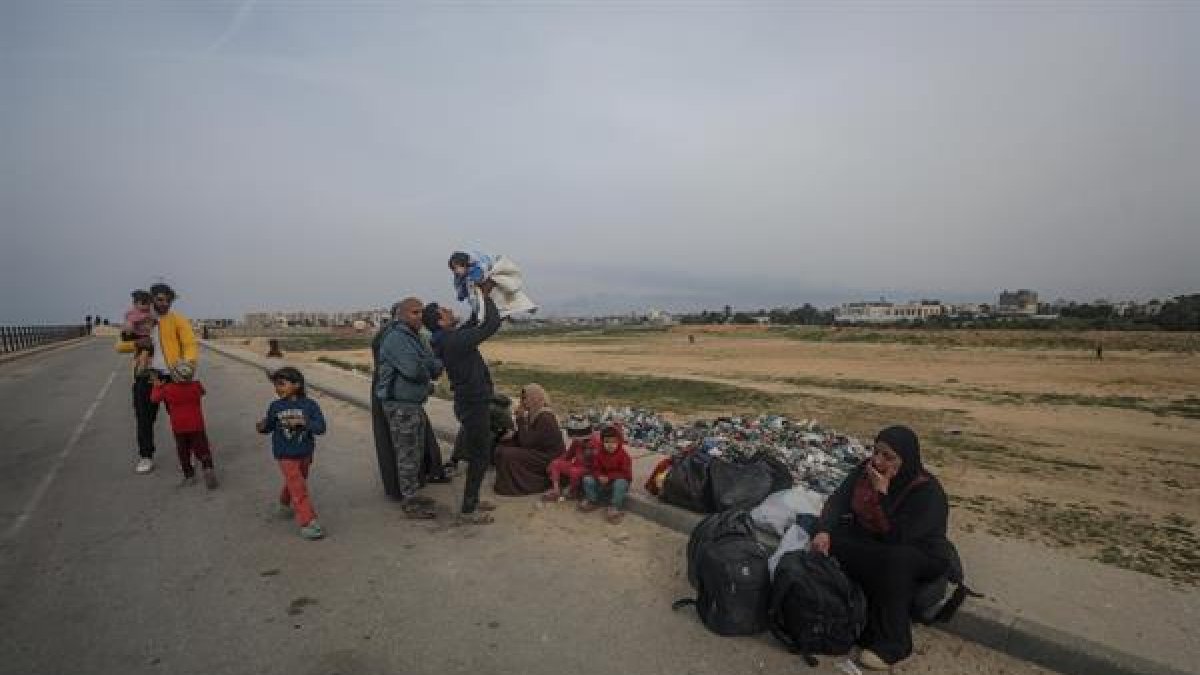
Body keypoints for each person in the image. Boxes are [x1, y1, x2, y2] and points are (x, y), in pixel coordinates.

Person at [810, 425, 950, 671]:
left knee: (895, 559)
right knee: (830, 538)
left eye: (888, 456)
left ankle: (894, 642)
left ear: (906, 460)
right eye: (876, 452)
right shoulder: (866, 471)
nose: (878, 461)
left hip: (919, 553)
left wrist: (882, 494)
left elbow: (899, 537)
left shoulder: (927, 492)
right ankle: (858, 616)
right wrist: (824, 530)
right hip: (878, 543)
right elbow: (838, 501)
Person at [424, 279, 502, 525]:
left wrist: (479, 295)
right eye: (445, 311)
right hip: (474, 403)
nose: (449, 310)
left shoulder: (448, 338)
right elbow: (489, 325)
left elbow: (475, 322)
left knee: (478, 451)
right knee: (479, 455)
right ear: (440, 322)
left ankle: (473, 499)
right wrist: (487, 296)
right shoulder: (453, 341)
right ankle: (469, 508)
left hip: (469, 401)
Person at [372, 297, 443, 519]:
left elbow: (435, 364)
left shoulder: (416, 337)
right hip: (400, 405)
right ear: (402, 314)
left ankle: (412, 493)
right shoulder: (395, 338)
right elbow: (414, 369)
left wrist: (428, 366)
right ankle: (410, 501)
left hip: (413, 403)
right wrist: (427, 369)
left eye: (421, 312)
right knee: (406, 454)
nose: (420, 316)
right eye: (414, 312)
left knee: (415, 452)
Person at [116, 283, 199, 475]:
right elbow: (119, 346)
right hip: (146, 377)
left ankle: (187, 454)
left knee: (181, 418)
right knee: (144, 419)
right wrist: (137, 343)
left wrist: (188, 365)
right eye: (160, 299)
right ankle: (146, 456)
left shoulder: (177, 320)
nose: (165, 303)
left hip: (172, 377)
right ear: (152, 299)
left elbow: (189, 344)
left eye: (168, 300)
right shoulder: (138, 319)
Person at [256, 367, 327, 540]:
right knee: (298, 485)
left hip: (304, 452)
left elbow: (321, 428)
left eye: (282, 384)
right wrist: (262, 426)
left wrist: (304, 422)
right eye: (275, 385)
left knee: (297, 480)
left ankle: (284, 504)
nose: (277, 388)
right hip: (284, 453)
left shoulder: (310, 406)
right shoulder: (275, 406)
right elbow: (269, 426)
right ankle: (308, 522)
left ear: (297, 385)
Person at [149, 361, 217, 489]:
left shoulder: (167, 389)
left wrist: (157, 386)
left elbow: (154, 399)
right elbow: (203, 392)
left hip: (179, 428)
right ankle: (208, 468)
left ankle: (189, 476)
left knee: (183, 452)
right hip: (197, 425)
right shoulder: (196, 386)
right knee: (202, 448)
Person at [492, 384, 566, 496]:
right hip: (538, 451)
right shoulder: (534, 413)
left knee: (507, 453)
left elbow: (527, 443)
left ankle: (521, 486)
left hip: (548, 457)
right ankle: (507, 483)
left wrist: (520, 419)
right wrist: (512, 435)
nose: (523, 402)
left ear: (534, 398)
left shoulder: (545, 417)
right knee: (504, 446)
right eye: (522, 398)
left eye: (525, 398)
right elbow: (529, 438)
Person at [448, 250, 537, 321]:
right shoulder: (460, 277)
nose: (456, 271)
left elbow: (481, 274)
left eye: (457, 267)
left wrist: (474, 281)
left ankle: (518, 310)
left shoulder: (477, 267)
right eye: (454, 268)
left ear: (464, 264)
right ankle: (498, 315)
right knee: (491, 302)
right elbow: (461, 289)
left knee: (507, 296)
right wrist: (462, 293)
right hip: (485, 289)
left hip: (493, 281)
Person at [579, 423, 633, 523]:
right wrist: (599, 476)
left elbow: (627, 474)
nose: (610, 445)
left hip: (616, 483)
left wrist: (609, 477)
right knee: (587, 479)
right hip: (602, 481)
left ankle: (614, 507)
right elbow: (595, 469)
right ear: (602, 442)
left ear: (619, 442)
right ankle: (592, 501)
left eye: (614, 442)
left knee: (621, 483)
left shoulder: (624, 456)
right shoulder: (599, 454)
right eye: (607, 442)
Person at [541, 418, 598, 502]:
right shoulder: (576, 442)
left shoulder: (595, 443)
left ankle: (573, 492)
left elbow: (598, 463)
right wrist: (553, 464)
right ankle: (556, 490)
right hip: (576, 466)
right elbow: (567, 456)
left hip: (588, 469)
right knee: (555, 463)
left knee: (574, 471)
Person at [122, 289, 156, 374]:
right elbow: (129, 324)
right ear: (135, 304)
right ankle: (138, 367)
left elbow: (156, 321)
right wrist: (128, 332)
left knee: (149, 354)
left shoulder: (151, 313)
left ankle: (146, 367)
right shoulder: (133, 313)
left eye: (149, 304)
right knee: (141, 353)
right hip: (137, 336)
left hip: (147, 336)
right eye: (144, 303)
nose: (146, 306)